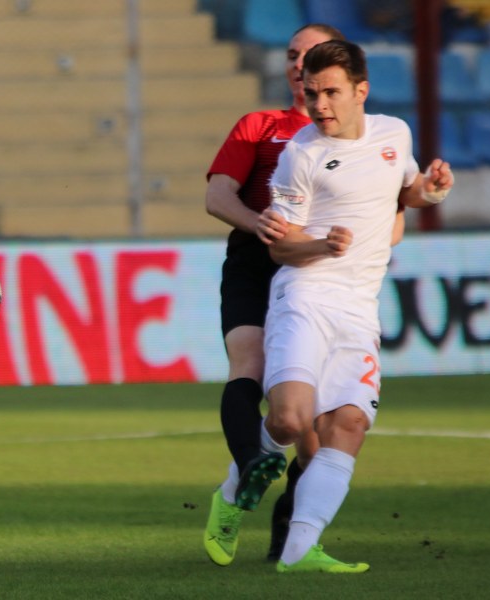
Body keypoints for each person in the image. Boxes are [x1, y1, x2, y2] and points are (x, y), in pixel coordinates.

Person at [202, 24, 406, 567]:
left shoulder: (380, 136)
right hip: (265, 259)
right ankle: (246, 468)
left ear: (348, 79)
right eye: (292, 56)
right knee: (254, 367)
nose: (299, 66)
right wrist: (262, 227)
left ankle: (290, 544)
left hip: (336, 280)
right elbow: (216, 194)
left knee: (321, 436)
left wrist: (418, 197)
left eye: (309, 57)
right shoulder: (268, 130)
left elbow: (397, 200)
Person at [257, 39, 454, 573]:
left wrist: (430, 191)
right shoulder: (299, 153)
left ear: (360, 91)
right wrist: (323, 245)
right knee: (293, 418)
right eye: (312, 92)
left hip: (359, 305)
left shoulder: (394, 134)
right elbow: (280, 245)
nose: (320, 104)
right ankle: (244, 475)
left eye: (331, 93)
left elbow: (404, 191)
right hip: (306, 292)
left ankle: (299, 551)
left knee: (348, 424)